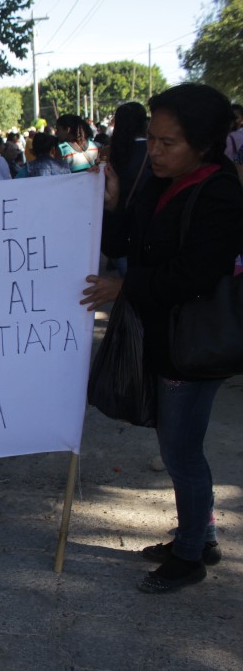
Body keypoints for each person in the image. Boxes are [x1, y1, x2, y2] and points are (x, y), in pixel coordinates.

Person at [83, 83, 243, 594]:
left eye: (167, 142)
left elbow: (196, 273)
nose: (153, 150)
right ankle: (201, 535)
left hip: (193, 346)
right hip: (163, 336)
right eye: (151, 139)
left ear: (203, 144)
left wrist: (126, 285)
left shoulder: (219, 191)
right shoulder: (156, 179)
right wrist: (111, 206)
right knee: (178, 445)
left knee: (181, 453)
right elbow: (128, 240)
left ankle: (190, 556)